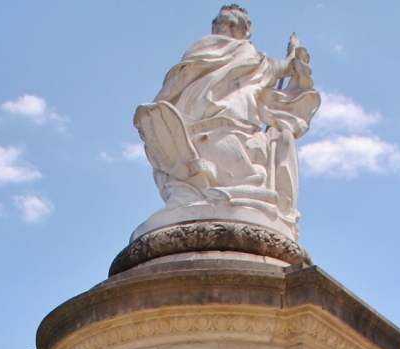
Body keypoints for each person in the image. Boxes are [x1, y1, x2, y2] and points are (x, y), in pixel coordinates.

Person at [134, 5, 320, 235]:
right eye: (225, 24)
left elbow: (287, 67)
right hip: (213, 140)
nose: (228, 29)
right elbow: (180, 79)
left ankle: (244, 193)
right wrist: (155, 112)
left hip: (229, 140)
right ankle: (252, 194)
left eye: (233, 25)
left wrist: (293, 55)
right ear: (216, 27)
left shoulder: (253, 60)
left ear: (245, 30)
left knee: (274, 146)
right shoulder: (213, 50)